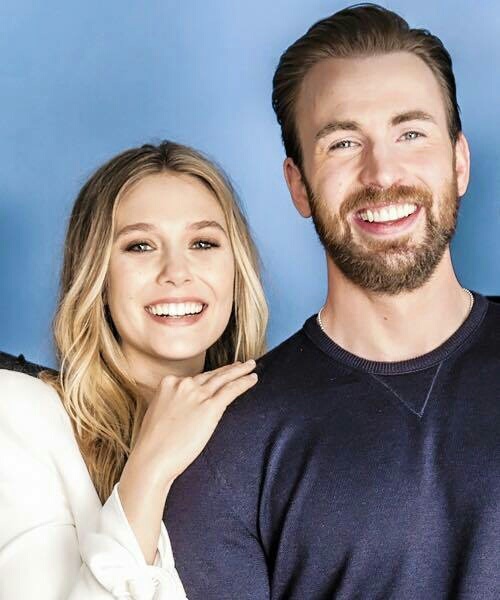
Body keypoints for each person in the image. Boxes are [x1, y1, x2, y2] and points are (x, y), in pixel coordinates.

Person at [165, 5, 500, 599]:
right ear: (299, 186)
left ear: (459, 162)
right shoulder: (228, 441)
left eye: (411, 134)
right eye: (343, 143)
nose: (382, 174)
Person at [0, 141, 267, 599]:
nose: (176, 271)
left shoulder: (269, 424)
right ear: (98, 277)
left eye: (203, 243)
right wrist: (149, 470)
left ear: (236, 270)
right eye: (140, 246)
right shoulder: (19, 414)